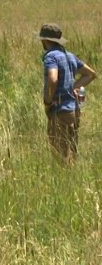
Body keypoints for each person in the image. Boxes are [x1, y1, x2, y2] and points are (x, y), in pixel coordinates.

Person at [38, 23, 97, 164]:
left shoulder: (51, 57)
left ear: (44, 40)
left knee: (60, 156)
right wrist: (74, 87)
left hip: (59, 111)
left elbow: (53, 78)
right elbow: (90, 74)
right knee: (72, 153)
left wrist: (47, 101)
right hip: (74, 110)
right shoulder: (69, 56)